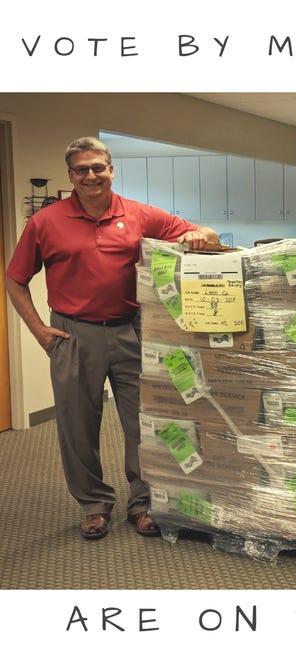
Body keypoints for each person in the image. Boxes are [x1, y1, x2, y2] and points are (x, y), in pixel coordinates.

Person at [5, 136, 219, 540]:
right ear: (70, 175)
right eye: (81, 169)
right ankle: (93, 505)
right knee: (77, 425)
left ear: (111, 170)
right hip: (71, 334)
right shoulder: (46, 222)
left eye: (98, 167)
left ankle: (143, 503)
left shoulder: (138, 215)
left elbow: (201, 232)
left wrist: (199, 234)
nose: (90, 175)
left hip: (130, 330)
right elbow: (15, 279)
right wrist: (38, 329)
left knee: (144, 423)